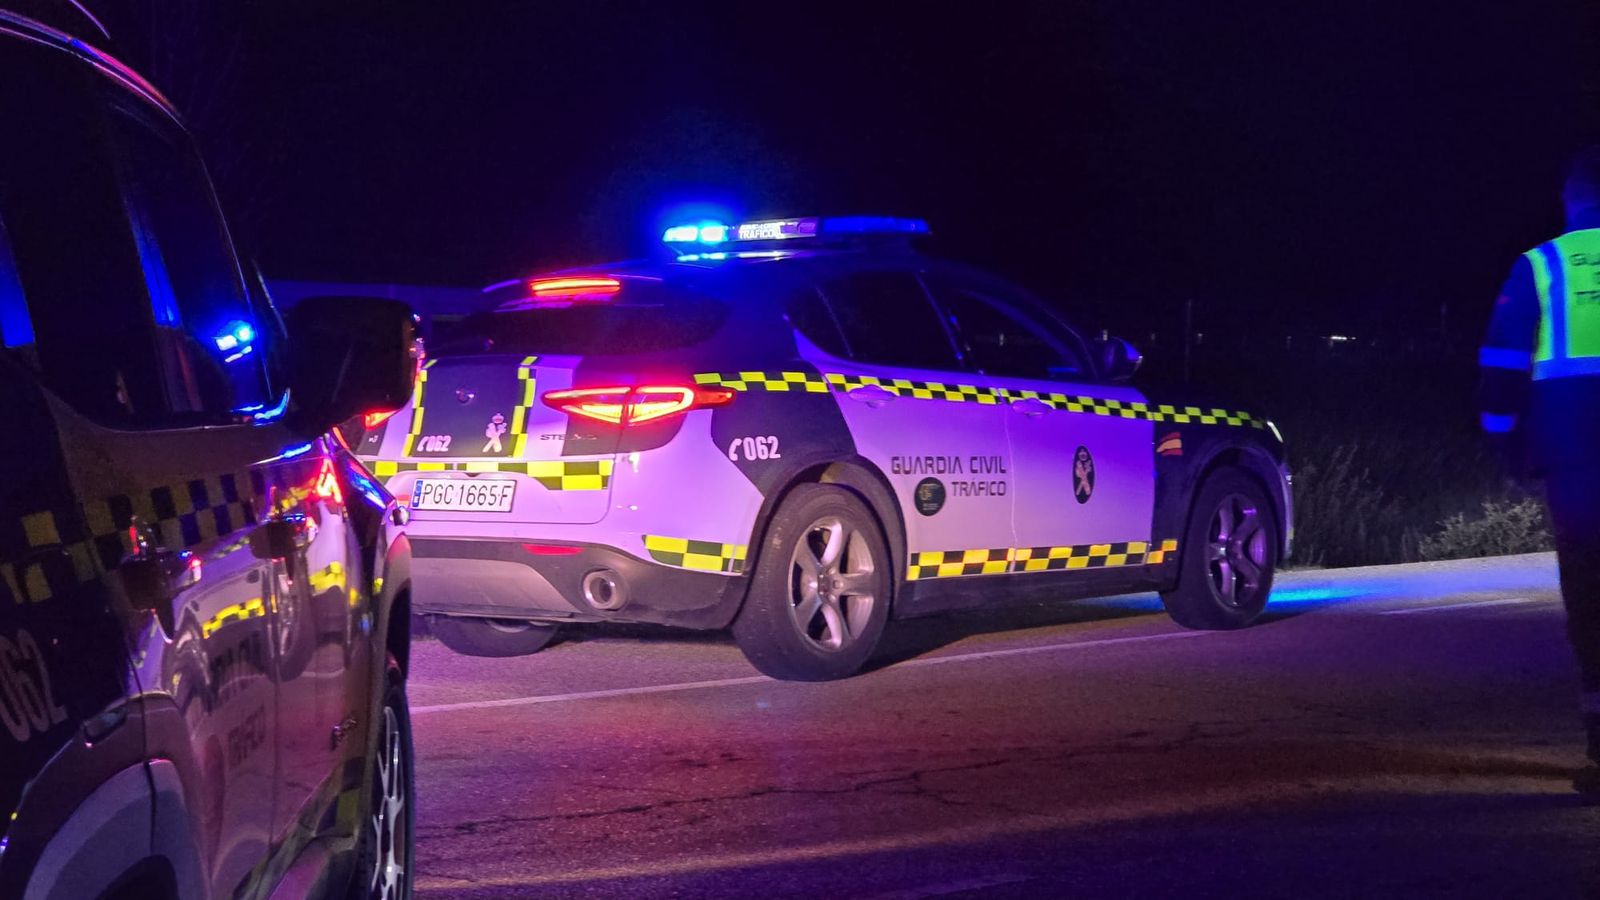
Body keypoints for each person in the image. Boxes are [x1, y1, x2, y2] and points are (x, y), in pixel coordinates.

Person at [1479, 145, 1600, 797]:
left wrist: (1505, 447)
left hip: (1576, 461)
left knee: (1590, 599)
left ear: (1570, 200)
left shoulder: (1543, 265)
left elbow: (1501, 366)